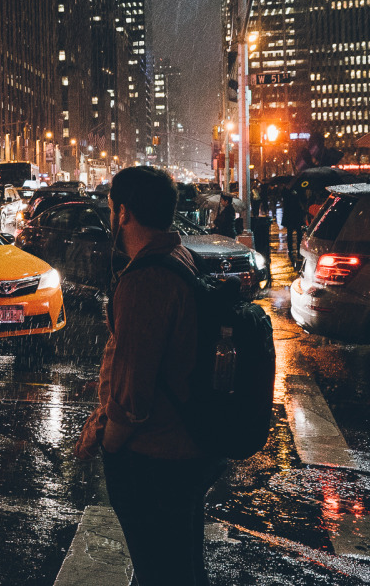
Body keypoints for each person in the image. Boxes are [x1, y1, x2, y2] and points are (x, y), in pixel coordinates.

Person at [74, 165, 220, 586]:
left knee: (160, 571)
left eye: (111, 207)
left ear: (124, 213)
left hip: (156, 458)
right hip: (187, 446)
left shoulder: (145, 279)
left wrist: (110, 447)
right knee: (181, 568)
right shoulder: (180, 258)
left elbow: (131, 394)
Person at [280, 187, 305, 262]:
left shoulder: (299, 192)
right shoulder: (288, 193)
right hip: (292, 216)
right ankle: (292, 250)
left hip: (295, 216)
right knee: (292, 234)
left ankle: (297, 250)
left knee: (297, 234)